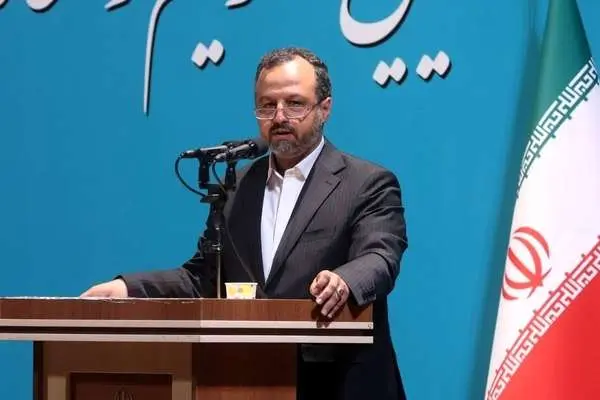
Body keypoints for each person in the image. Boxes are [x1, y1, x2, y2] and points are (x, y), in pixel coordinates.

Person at [81, 46, 409, 400]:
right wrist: (128, 289)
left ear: (324, 108)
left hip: (340, 382)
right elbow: (204, 277)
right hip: (251, 380)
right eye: (267, 105)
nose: (279, 116)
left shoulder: (366, 183)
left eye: (294, 104)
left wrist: (344, 280)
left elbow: (380, 257)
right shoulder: (236, 187)